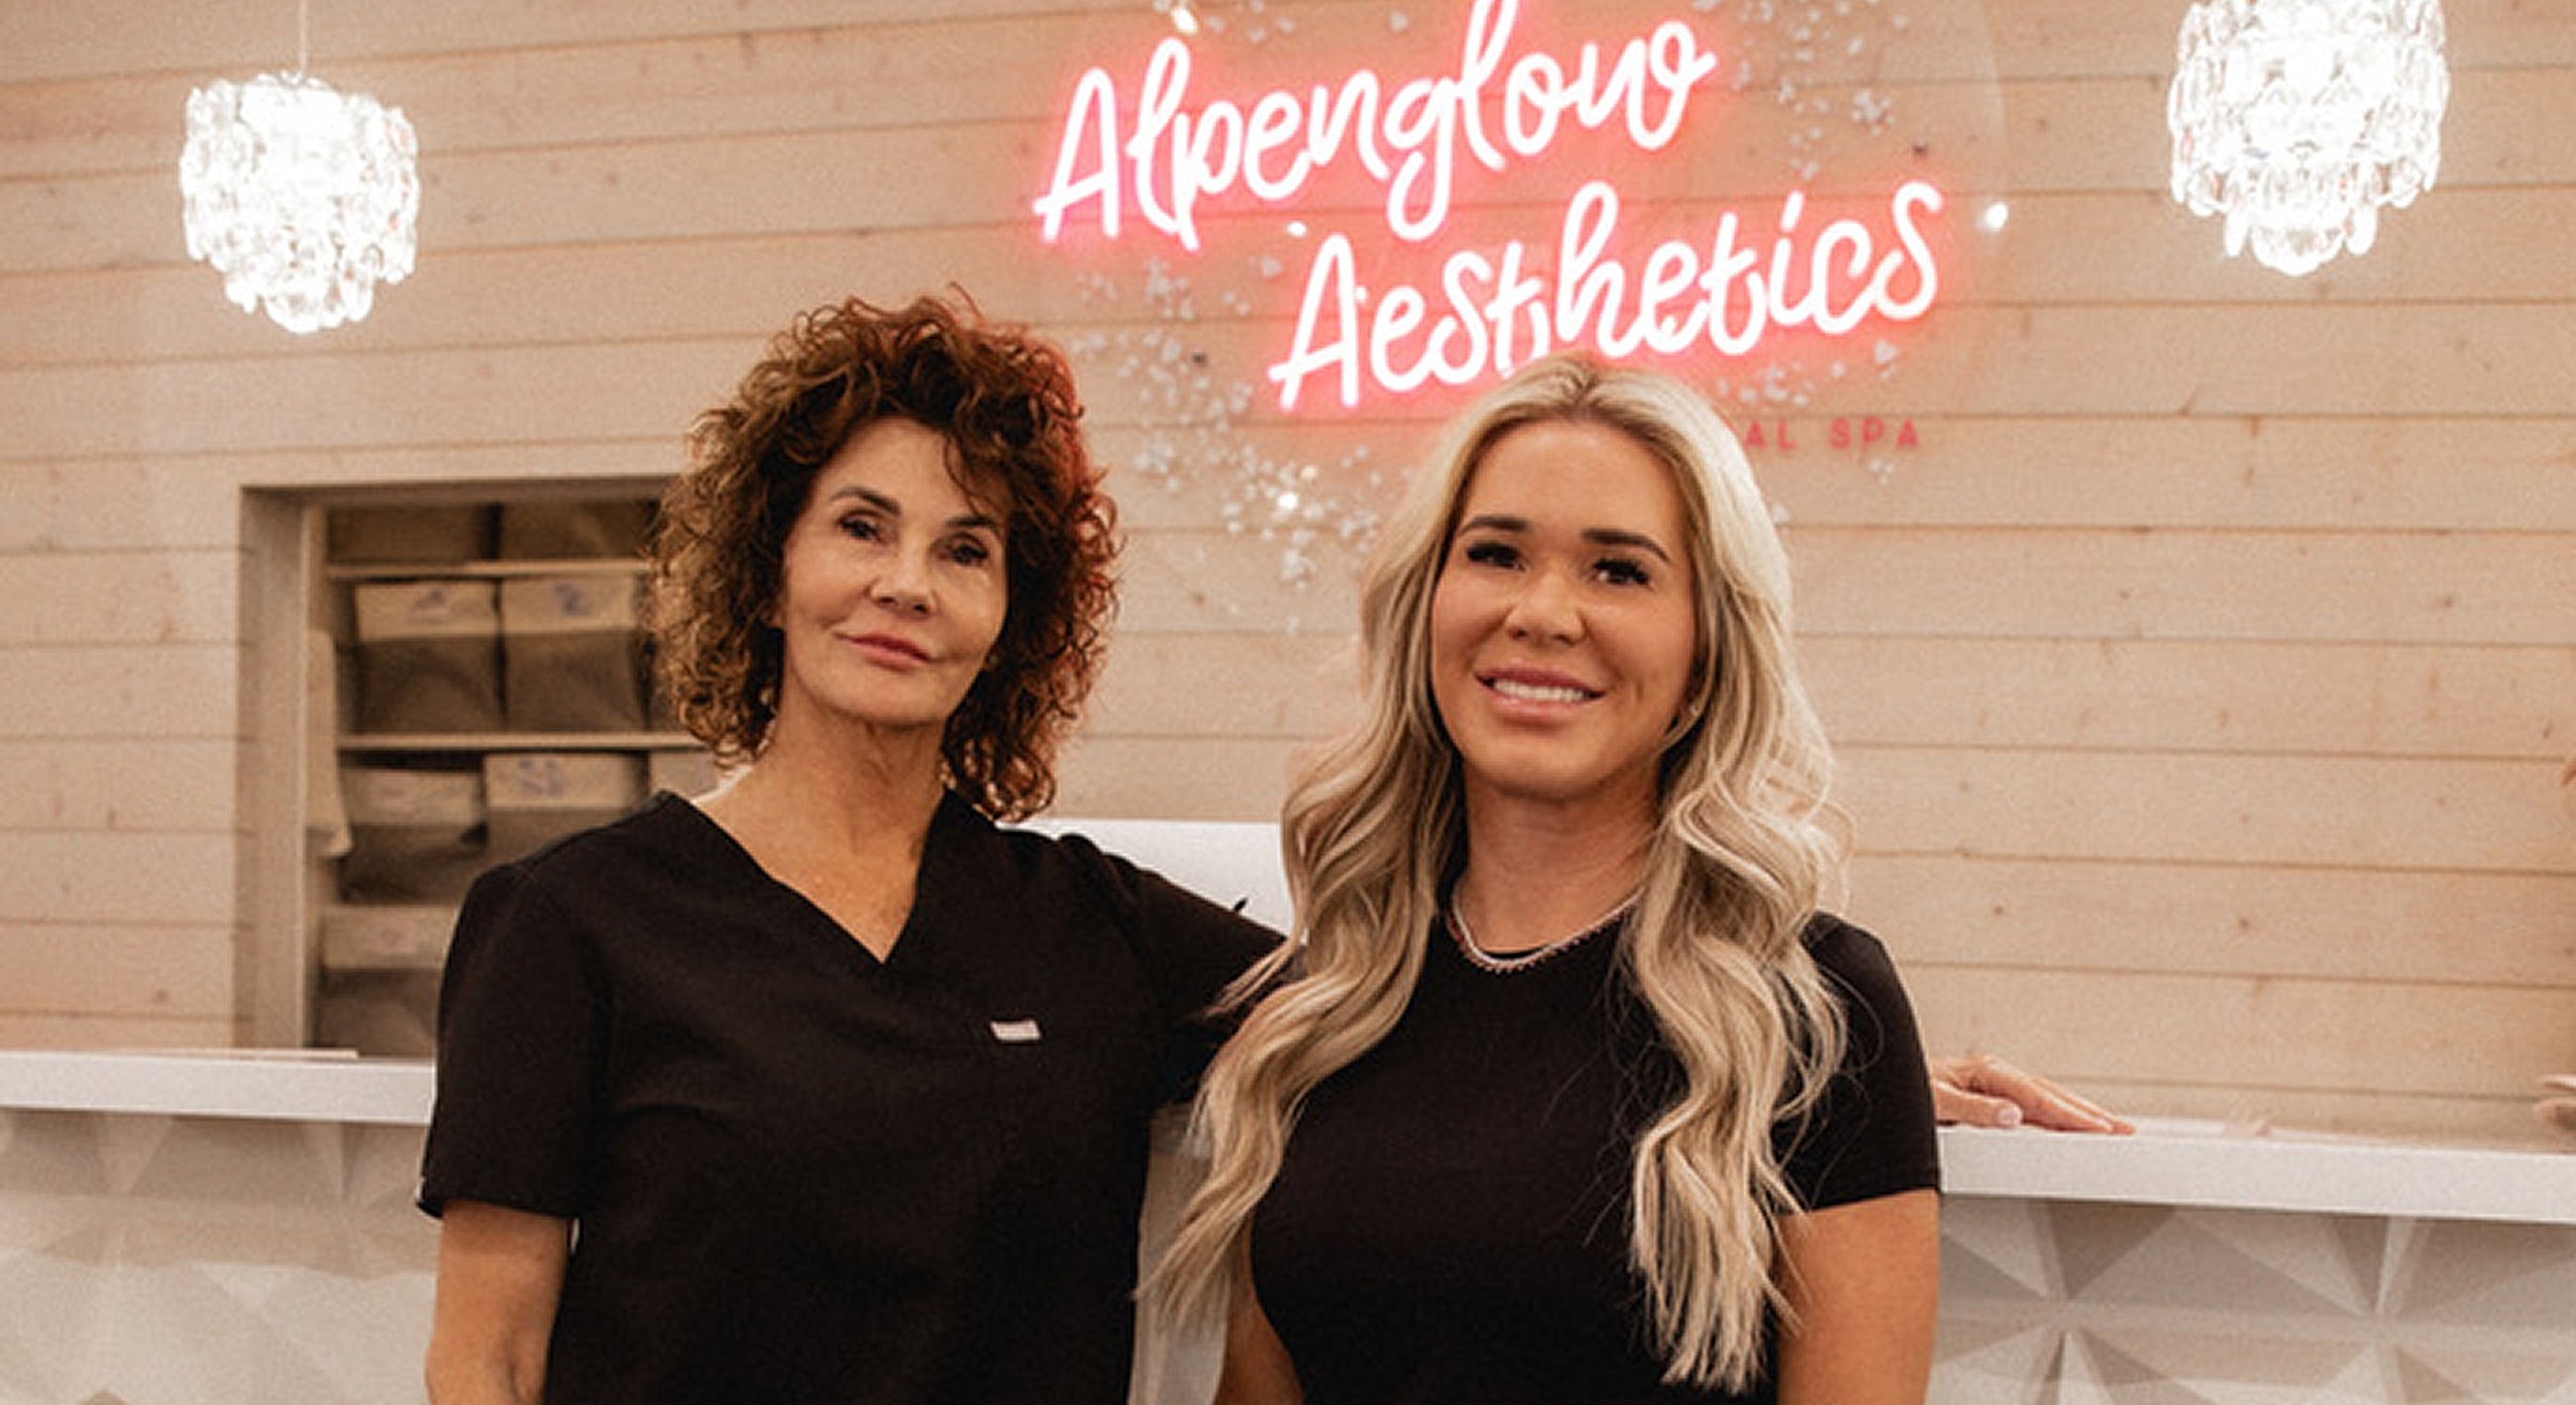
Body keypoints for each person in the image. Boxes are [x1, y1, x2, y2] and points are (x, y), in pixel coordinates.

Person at [416, 292, 1277, 1405]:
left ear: (1010, 617)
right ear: (770, 569)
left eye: (964, 549)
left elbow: (1374, 1039)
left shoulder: (1095, 925)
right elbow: (487, 1360)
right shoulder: (571, 920)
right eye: (861, 526)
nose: (905, 584)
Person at [1148, 354, 1945, 1405]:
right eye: (1494, 553)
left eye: (1617, 570)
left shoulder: (1811, 1012)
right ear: (1426, 603)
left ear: (1703, 659)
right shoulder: (1325, 1004)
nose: (1542, 611)